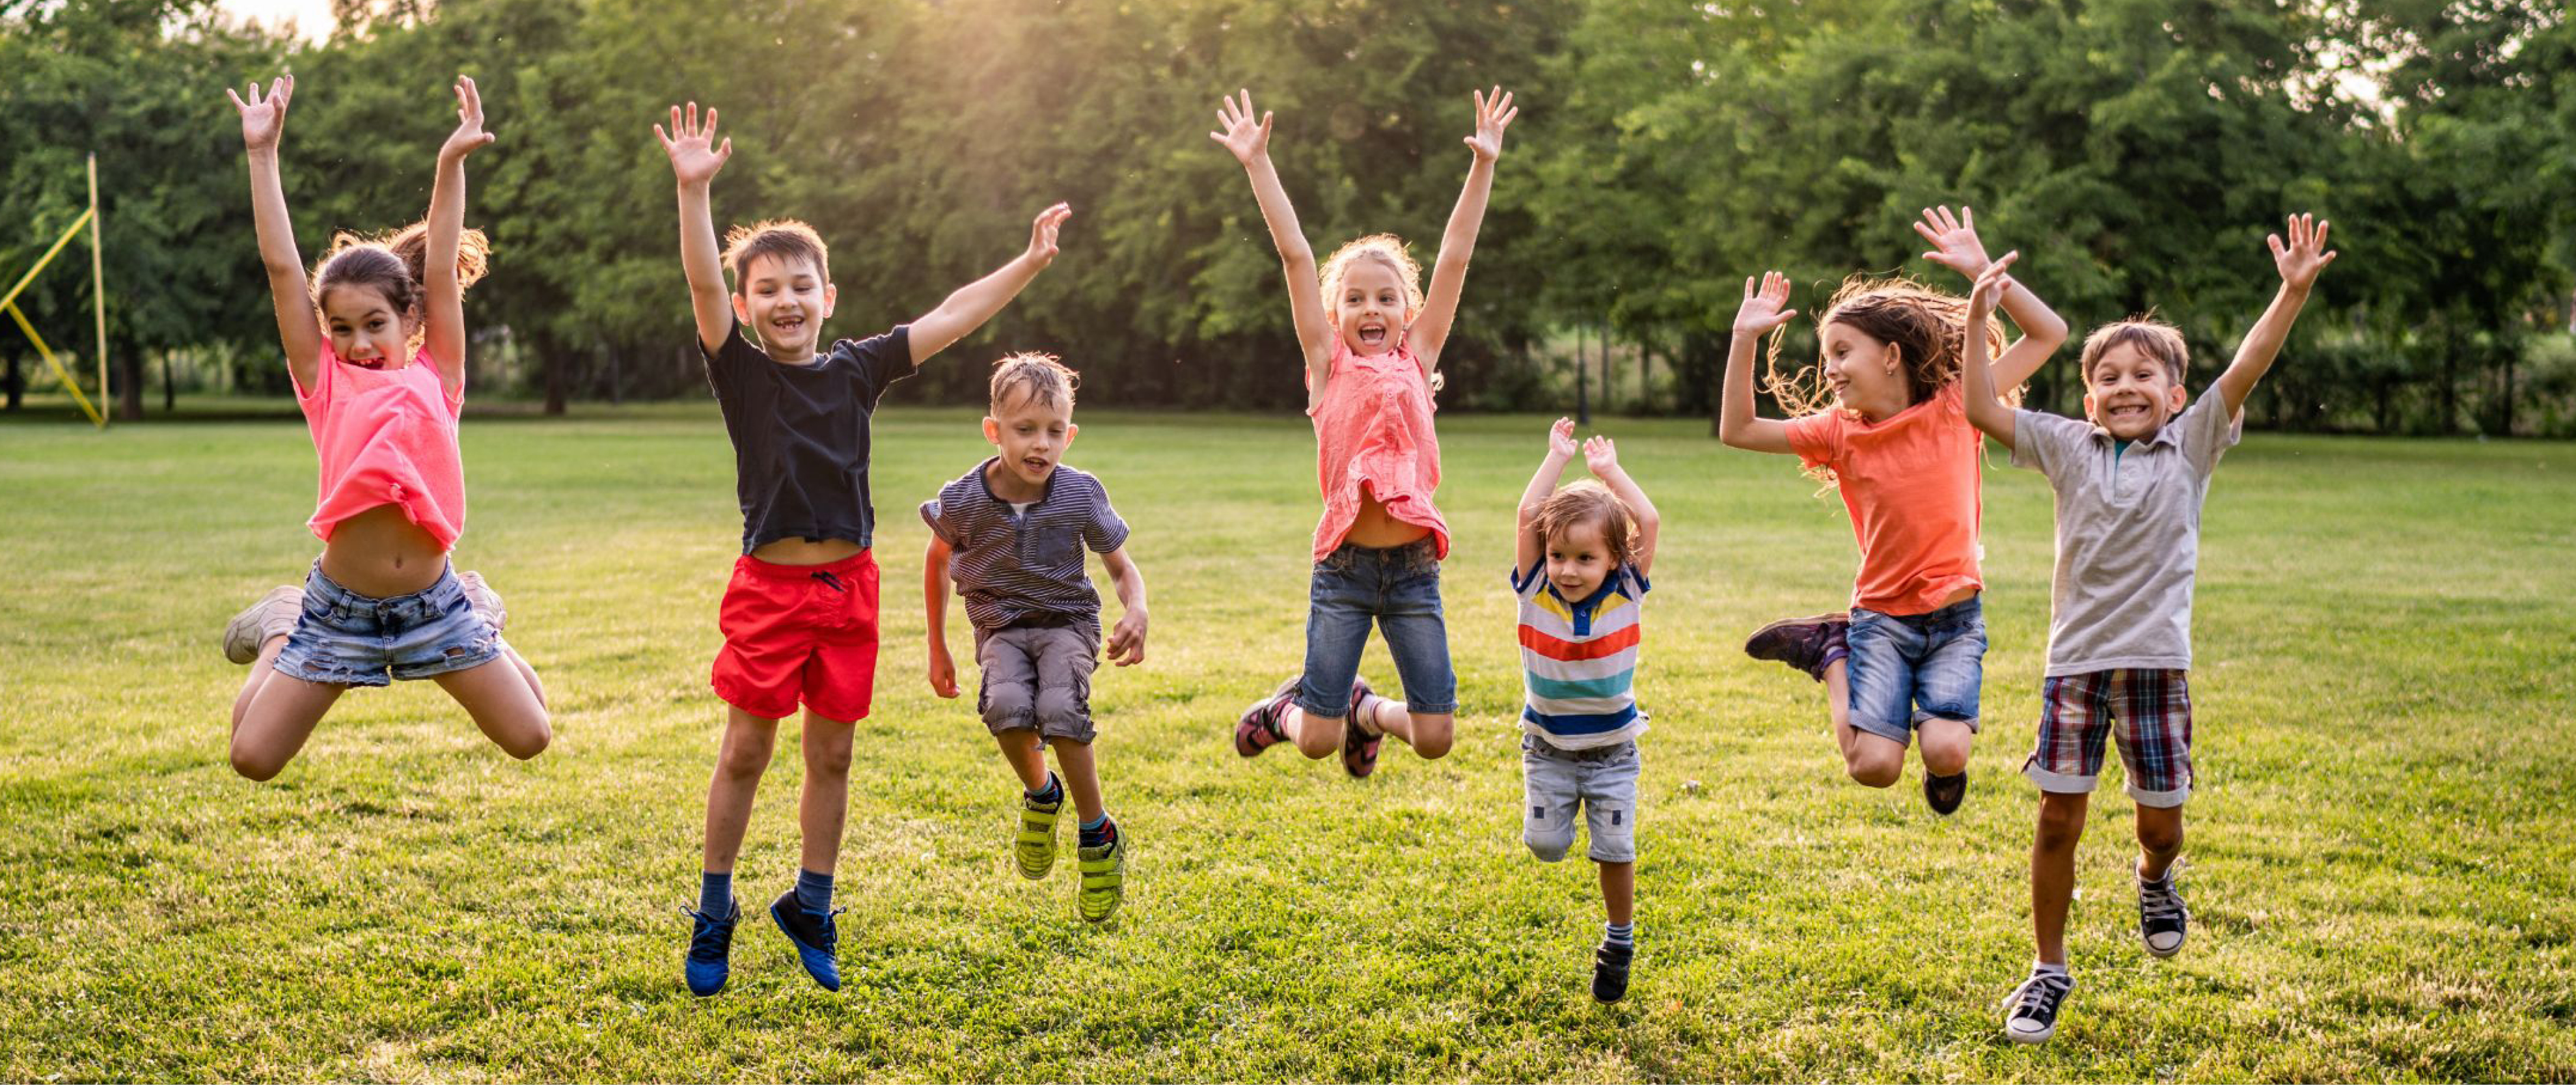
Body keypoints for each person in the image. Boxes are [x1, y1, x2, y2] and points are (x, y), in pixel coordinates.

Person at [657, 102, 1069, 995]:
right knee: (744, 752)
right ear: (748, 305)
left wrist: (1029, 262)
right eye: (765, 290)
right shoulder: (741, 369)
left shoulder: (856, 366)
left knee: (832, 756)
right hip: (769, 585)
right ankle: (714, 903)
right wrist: (695, 192)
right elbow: (699, 285)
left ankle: (811, 901)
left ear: (827, 296)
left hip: (848, 590)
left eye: (801, 286)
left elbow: (954, 316)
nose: (785, 301)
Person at [1969, 218, 2336, 1043]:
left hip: (2156, 667)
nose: (2125, 384)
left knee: (2160, 823)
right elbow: (1977, 404)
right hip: (2075, 666)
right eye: (2107, 375)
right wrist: (1975, 314)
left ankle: (2154, 877)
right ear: (2088, 395)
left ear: (2175, 395)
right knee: (2057, 819)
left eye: (2145, 374)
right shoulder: (2066, 445)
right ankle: (2047, 968)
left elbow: (2247, 364)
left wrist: (2293, 289)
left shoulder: (2192, 443)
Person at [218, 74, 549, 782]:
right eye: (340, 327)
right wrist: (262, 153)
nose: (359, 341)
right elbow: (281, 268)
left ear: (411, 322)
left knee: (532, 731)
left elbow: (442, 258)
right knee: (251, 754)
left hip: (436, 603)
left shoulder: (439, 375)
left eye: (375, 325)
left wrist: (449, 163)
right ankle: (284, 621)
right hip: (339, 611)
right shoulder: (325, 383)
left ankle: (482, 612)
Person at [1212, 87, 1518, 777]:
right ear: (1335, 311)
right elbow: (1295, 256)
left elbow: (1454, 257)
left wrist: (1484, 165)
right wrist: (1257, 164)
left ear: (1407, 312)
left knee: (1436, 735)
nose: (1370, 308)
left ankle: (1367, 709)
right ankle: (1282, 712)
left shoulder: (1420, 357)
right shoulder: (1327, 367)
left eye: (1385, 298)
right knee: (1315, 740)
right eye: (1354, 298)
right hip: (1344, 572)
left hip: (1413, 573)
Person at [1722, 207, 2068, 814]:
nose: (1828, 368)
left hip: (1956, 618)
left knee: (1948, 751)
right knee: (1874, 767)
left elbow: (2049, 335)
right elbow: (1739, 429)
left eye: (1841, 352)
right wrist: (1743, 338)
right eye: (1825, 354)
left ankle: (1938, 761)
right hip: (1881, 619)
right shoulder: (1837, 431)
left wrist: (1986, 272)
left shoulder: (1962, 404)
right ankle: (1832, 651)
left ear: (1889, 355)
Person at [922, 353, 1149, 924]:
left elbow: (1121, 566)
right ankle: (1043, 794)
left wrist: (1138, 607)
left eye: (1053, 432)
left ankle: (1098, 834)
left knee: (1059, 707)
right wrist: (937, 645)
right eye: (1025, 430)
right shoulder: (965, 498)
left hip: (1067, 621)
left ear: (1070, 434)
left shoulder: (1078, 492)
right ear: (994, 431)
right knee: (1005, 706)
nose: (1040, 445)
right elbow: (936, 560)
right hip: (999, 624)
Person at [1512, 419, 1660, 1002]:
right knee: (1546, 846)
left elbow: (1647, 521)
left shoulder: (1627, 590)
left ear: (1615, 559)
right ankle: (1559, 814)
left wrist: (1608, 474)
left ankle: (1618, 941)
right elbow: (1528, 514)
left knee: (1615, 851)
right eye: (1558, 555)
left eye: (1584, 558)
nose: (1568, 569)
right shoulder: (1534, 589)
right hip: (1547, 744)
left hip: (1612, 751)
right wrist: (1555, 459)